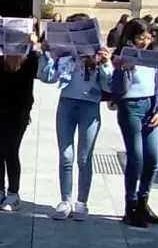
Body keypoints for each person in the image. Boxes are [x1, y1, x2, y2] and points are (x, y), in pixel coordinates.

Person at [40, 25, 115, 221]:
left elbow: (109, 85)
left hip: (89, 107)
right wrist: (46, 52)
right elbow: (47, 76)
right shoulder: (64, 56)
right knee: (66, 155)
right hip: (66, 105)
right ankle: (65, 200)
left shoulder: (97, 57)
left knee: (84, 157)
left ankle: (82, 202)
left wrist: (107, 64)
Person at [109, 19, 158, 228]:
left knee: (153, 158)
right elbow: (117, 89)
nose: (144, 42)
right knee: (136, 157)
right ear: (130, 38)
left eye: (147, 38)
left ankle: (144, 201)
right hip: (130, 107)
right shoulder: (123, 57)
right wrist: (123, 69)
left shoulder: (154, 57)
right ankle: (131, 205)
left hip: (150, 107)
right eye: (139, 38)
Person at [0, 39, 41, 211]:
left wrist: (35, 48)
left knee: (10, 150)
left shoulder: (29, 58)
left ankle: (14, 193)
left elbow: (37, 72)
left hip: (18, 110)